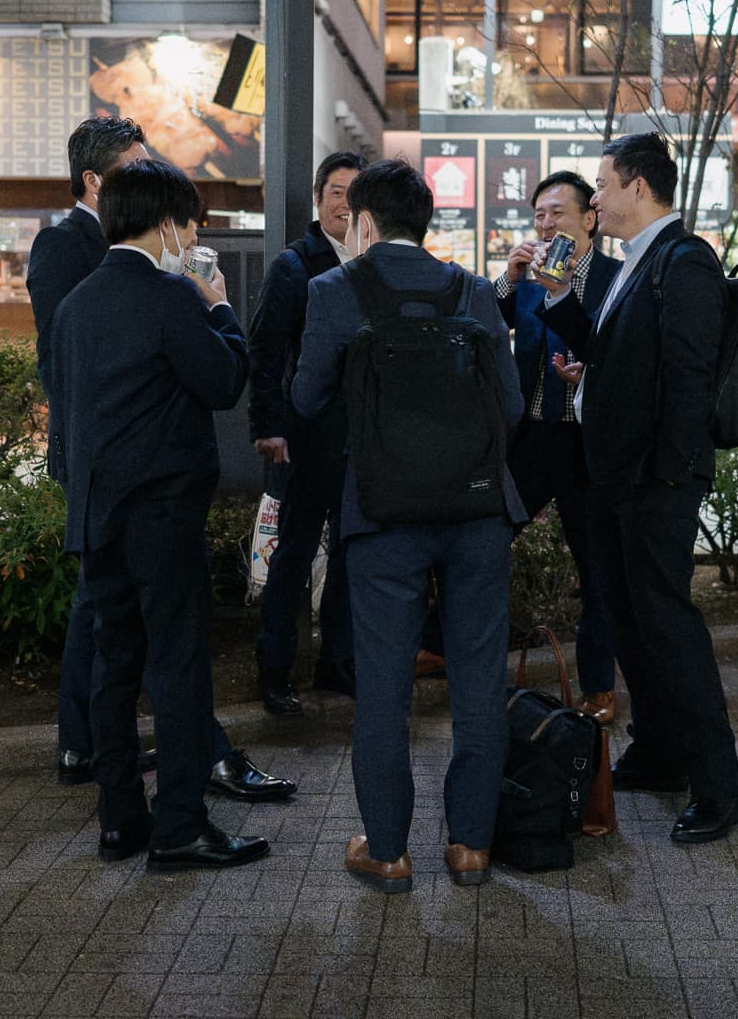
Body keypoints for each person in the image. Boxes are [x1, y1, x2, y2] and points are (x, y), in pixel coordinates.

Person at [33, 117, 294, 804]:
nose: (196, 239)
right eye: (191, 225)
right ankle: (177, 814)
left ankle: (118, 809)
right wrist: (222, 311)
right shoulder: (133, 279)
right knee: (168, 652)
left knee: (115, 648)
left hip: (105, 487)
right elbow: (220, 381)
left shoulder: (88, 298)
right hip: (150, 490)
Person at [291, 159, 525, 893]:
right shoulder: (475, 292)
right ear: (426, 222)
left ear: (363, 221)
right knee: (479, 679)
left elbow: (304, 398)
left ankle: (388, 850)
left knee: (385, 686)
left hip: (384, 514)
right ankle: (472, 847)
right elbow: (511, 408)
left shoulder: (333, 289)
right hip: (478, 509)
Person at [536, 132, 738, 845]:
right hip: (618, 478)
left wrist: (667, 472)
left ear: (638, 188)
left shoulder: (685, 261)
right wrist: (562, 304)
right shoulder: (636, 261)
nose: (593, 199)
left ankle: (719, 785)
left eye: (602, 184)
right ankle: (659, 753)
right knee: (631, 621)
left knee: (670, 628)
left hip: (654, 482)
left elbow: (689, 376)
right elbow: (615, 351)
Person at [493, 170, 621, 722]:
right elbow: (485, 329)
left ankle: (599, 688)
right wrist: (507, 278)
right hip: (535, 436)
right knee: (483, 536)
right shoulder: (526, 276)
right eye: (539, 215)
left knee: (596, 567)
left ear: (590, 218)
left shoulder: (617, 277)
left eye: (557, 213)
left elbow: (616, 349)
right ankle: (443, 647)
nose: (545, 224)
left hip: (587, 441)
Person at [246, 151, 366, 715]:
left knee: (349, 551)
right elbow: (265, 352)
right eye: (337, 192)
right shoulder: (297, 264)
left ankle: (336, 665)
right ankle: (275, 672)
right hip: (303, 437)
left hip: (361, 438)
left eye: (355, 194)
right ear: (319, 199)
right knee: (291, 556)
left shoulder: (374, 262)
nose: (345, 203)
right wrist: (268, 426)